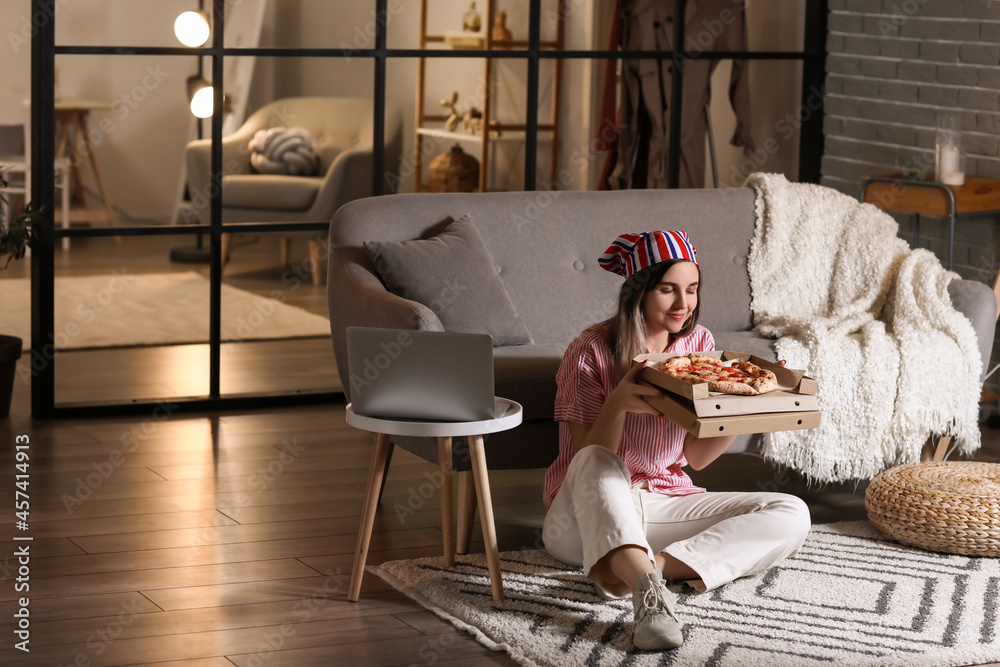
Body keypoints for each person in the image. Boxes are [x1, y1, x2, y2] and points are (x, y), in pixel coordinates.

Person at [542, 230, 811, 651]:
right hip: (582, 517)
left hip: (666, 500)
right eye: (668, 290)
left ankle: (641, 573)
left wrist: (743, 409)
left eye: (691, 289)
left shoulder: (699, 346)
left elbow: (697, 458)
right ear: (639, 292)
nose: (684, 304)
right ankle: (650, 600)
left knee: (791, 512)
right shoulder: (589, 350)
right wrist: (617, 405)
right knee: (595, 459)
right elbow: (586, 461)